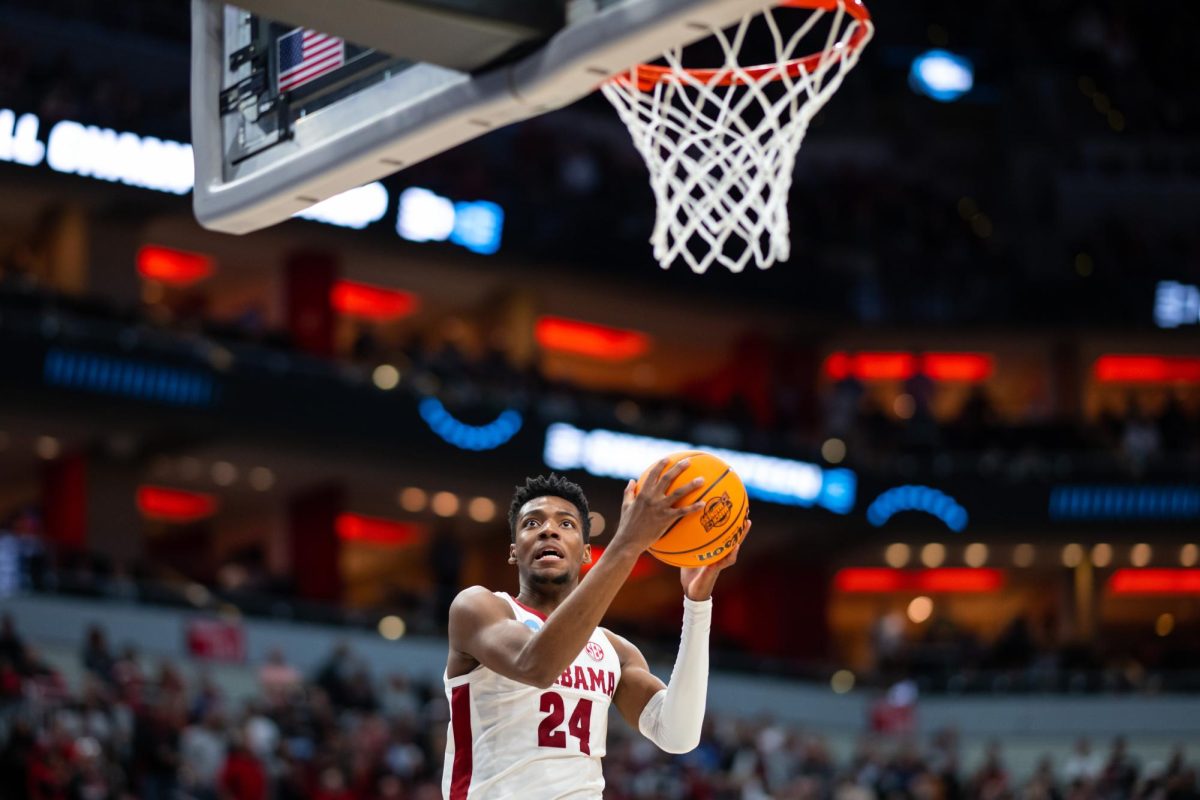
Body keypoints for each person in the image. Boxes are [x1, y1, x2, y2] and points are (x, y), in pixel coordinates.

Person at [442, 463, 749, 799]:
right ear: (514, 551)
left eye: (566, 524)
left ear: (586, 552)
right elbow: (537, 665)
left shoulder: (615, 650)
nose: (549, 530)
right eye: (532, 523)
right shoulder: (478, 608)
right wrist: (627, 544)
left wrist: (697, 603)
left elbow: (677, 735)